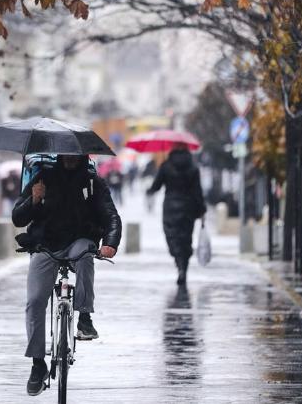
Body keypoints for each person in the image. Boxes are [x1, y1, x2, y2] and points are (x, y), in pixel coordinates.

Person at [12, 154, 122, 396]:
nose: (71, 158)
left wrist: (110, 243)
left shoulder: (93, 182)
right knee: (34, 302)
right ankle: (38, 364)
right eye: (67, 154)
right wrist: (34, 199)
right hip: (46, 245)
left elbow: (111, 216)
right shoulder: (43, 177)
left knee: (86, 255)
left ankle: (84, 318)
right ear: (61, 154)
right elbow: (18, 218)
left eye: (76, 154)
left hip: (78, 242)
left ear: (82, 155)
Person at [146, 143, 206, 285]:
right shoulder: (193, 168)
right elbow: (198, 191)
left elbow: (156, 186)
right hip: (188, 208)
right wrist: (202, 209)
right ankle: (183, 268)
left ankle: (178, 263)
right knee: (186, 238)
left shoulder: (166, 166)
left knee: (172, 237)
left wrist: (150, 190)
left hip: (170, 208)